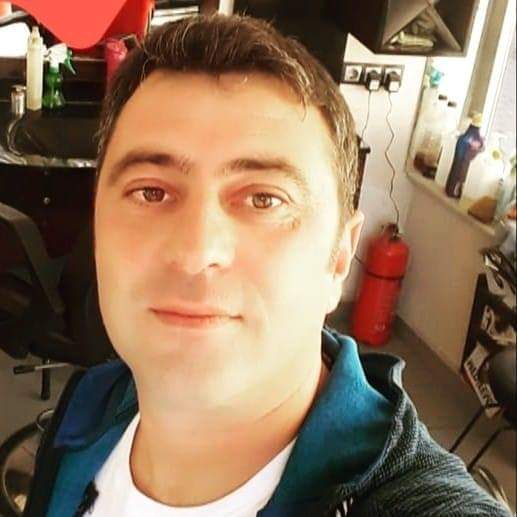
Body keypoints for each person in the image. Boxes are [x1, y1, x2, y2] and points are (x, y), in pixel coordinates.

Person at [24, 13, 510, 517]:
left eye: (263, 199)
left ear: (339, 256)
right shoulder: (86, 408)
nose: (196, 252)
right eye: (151, 192)